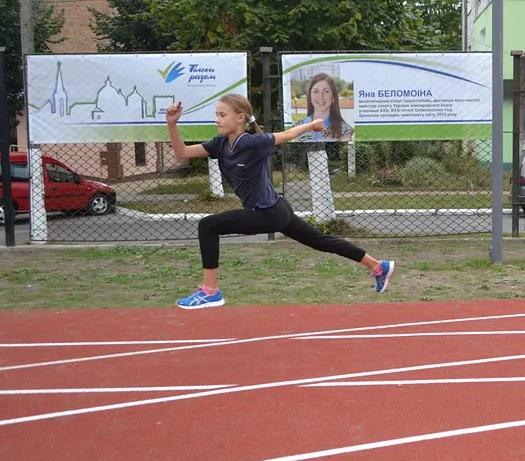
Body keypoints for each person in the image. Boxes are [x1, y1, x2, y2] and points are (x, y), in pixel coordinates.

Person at [165, 94, 393, 309]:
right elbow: (182, 153)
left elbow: (287, 135)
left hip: (269, 213)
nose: (217, 120)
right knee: (321, 241)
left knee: (208, 225)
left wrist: (312, 125)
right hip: (276, 209)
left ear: (240, 117)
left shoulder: (251, 142)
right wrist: (172, 124)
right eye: (216, 114)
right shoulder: (220, 144)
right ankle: (377, 265)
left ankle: (210, 291)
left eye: (222, 115)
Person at [297, 73, 355, 142]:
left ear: (333, 97)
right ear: (310, 96)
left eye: (326, 91)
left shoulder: (344, 130)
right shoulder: (298, 126)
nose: (320, 97)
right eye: (316, 91)